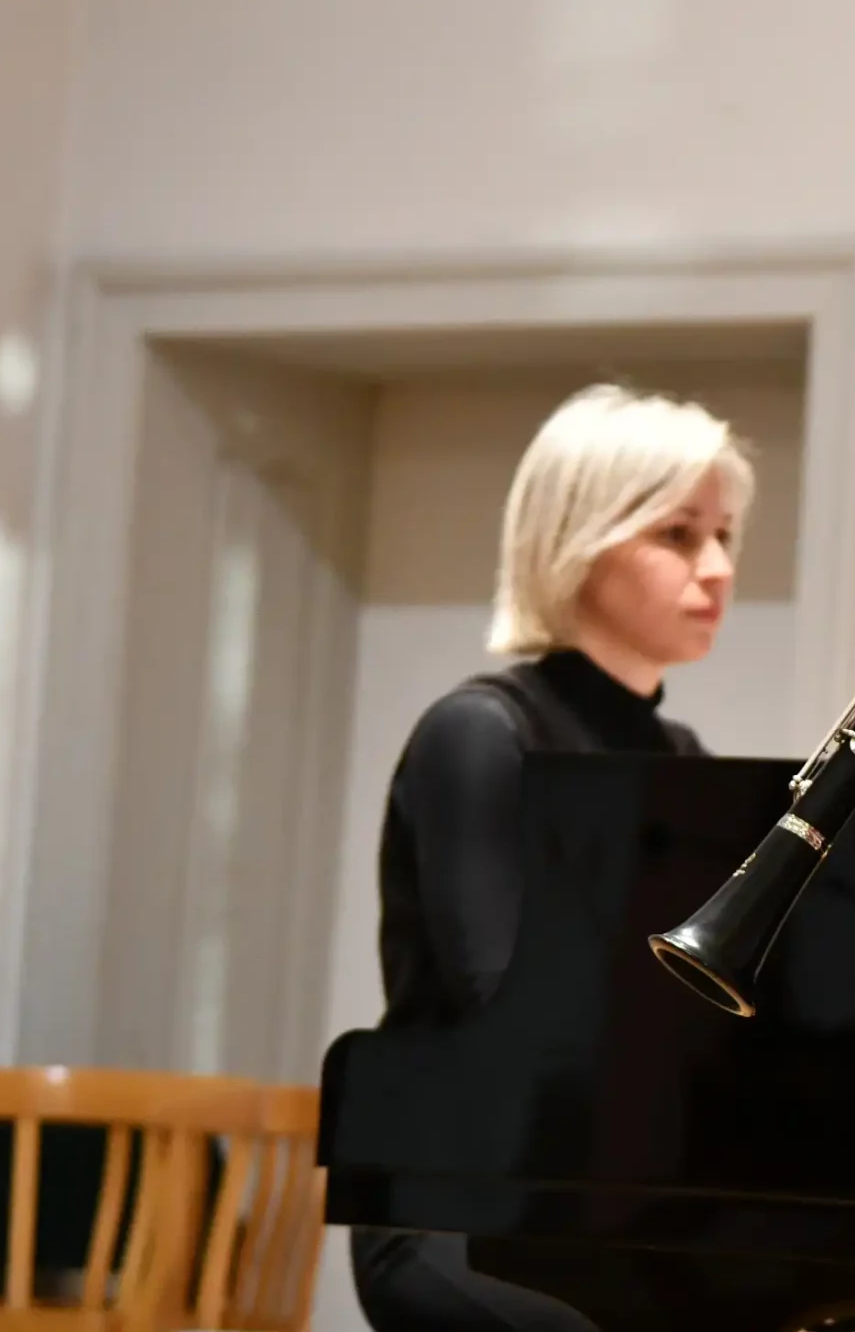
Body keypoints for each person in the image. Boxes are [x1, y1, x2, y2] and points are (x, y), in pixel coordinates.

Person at [353, 384, 750, 1332]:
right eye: (678, 536)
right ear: (577, 540)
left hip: (610, 1200)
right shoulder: (481, 732)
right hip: (453, 1200)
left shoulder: (680, 757)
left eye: (727, 535)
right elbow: (502, 996)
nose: (719, 568)